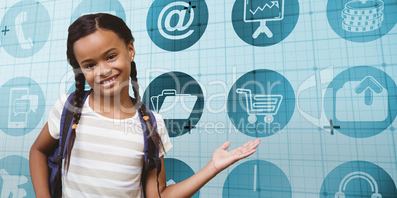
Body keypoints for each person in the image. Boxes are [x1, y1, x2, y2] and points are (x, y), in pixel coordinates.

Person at [29, 13, 260, 198]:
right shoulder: (68, 108)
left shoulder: (152, 124)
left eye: (110, 56)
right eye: (89, 65)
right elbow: (38, 151)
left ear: (130, 50)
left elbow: (159, 194)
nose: (103, 70)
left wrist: (213, 167)